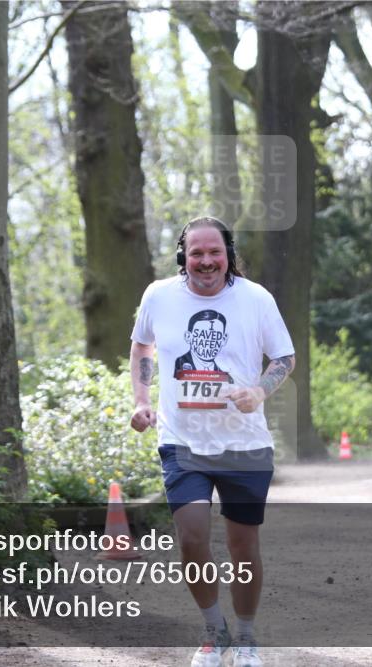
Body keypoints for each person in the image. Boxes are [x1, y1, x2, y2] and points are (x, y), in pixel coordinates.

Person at [129, 216, 295, 667]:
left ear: (228, 255)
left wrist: (259, 390)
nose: (206, 261)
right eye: (197, 253)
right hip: (182, 442)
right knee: (191, 537)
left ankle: (246, 637)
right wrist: (141, 400)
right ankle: (212, 632)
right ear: (183, 256)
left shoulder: (255, 298)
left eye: (214, 252)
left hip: (244, 444)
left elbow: (284, 356)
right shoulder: (159, 296)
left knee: (243, 546)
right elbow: (142, 346)